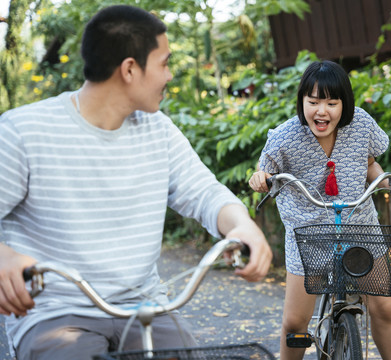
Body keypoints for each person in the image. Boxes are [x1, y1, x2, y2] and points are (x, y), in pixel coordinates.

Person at [0, 5, 272, 360]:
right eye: (164, 63)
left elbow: (204, 193)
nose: (170, 75)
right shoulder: (23, 132)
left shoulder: (158, 131)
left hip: (145, 309)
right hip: (55, 313)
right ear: (130, 69)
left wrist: (242, 225)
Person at [249, 60, 391, 360]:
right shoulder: (285, 137)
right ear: (302, 102)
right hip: (309, 235)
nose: (321, 111)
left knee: (385, 308)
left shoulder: (361, 125)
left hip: (359, 227)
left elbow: (369, 164)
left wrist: (390, 182)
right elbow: (263, 174)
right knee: (295, 322)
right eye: (312, 102)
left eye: (331, 102)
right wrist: (260, 179)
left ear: (344, 104)